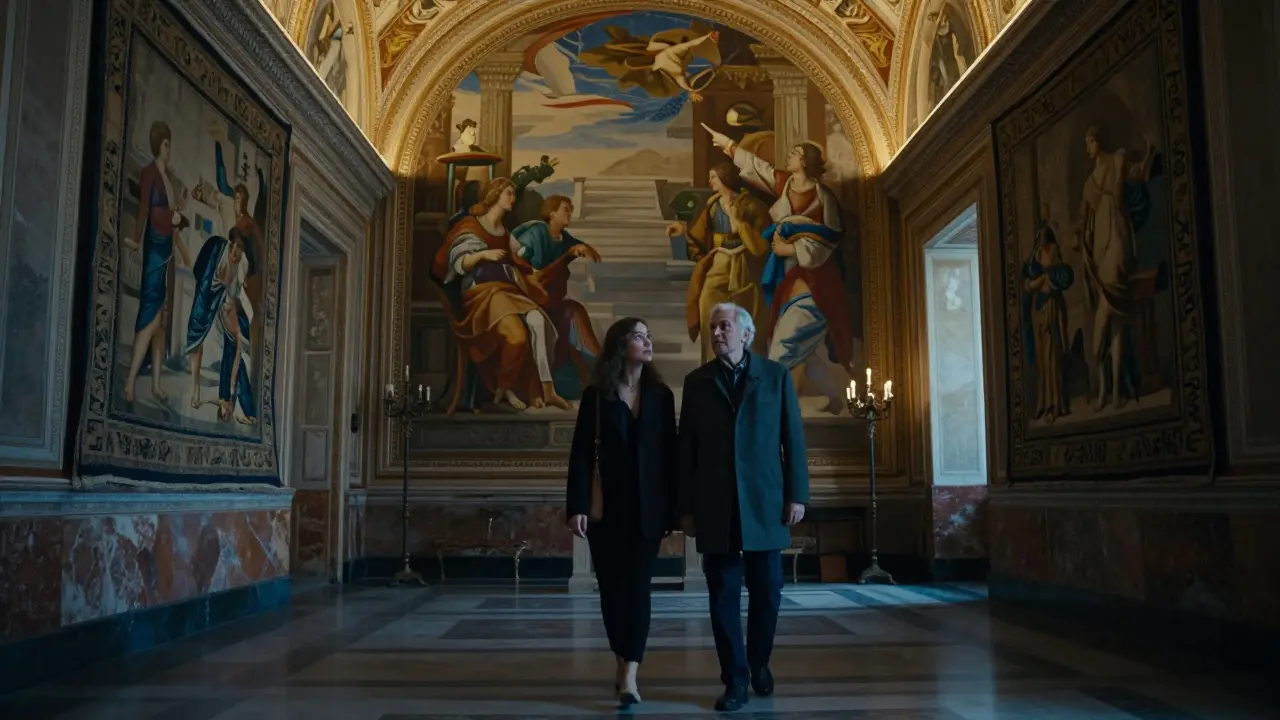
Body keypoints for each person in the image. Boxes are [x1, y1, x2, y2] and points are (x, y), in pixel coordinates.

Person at [677, 302, 809, 712]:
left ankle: (759, 663)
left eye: (725, 326)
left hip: (765, 502)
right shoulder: (697, 382)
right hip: (715, 506)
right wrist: (686, 508)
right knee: (722, 596)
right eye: (714, 327)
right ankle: (734, 679)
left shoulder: (775, 376)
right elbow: (687, 452)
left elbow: (793, 440)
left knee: (768, 591)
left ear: (746, 334)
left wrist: (797, 494)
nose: (717, 333)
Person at [565, 317, 678, 708]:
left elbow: (671, 455)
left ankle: (630, 672)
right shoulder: (596, 396)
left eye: (649, 335)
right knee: (612, 592)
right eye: (638, 336)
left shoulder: (662, 396)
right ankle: (621, 658)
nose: (648, 342)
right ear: (620, 345)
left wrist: (675, 511)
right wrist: (577, 506)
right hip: (606, 511)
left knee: (638, 590)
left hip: (649, 511)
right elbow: (580, 455)